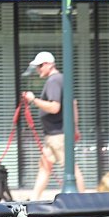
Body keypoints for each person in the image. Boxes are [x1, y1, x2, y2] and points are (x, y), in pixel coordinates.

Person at [20, 51, 84, 198]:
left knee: (70, 169)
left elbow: (54, 107)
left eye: (40, 66)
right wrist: (75, 127)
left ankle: (83, 200)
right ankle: (34, 199)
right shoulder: (62, 79)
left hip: (57, 135)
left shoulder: (53, 81)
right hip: (55, 134)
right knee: (44, 166)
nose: (38, 70)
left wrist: (33, 100)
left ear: (49, 64)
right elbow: (73, 104)